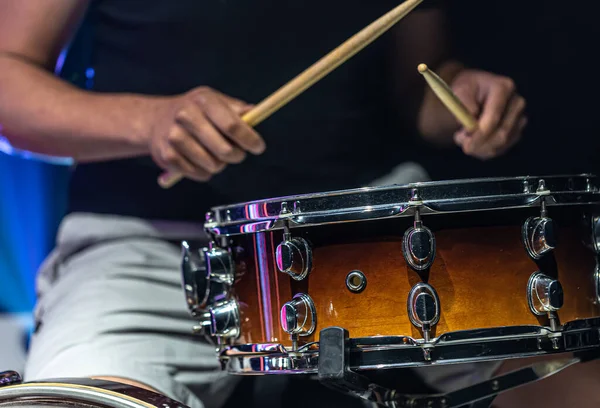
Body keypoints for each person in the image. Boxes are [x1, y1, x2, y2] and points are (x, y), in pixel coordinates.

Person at [0, 1, 528, 407]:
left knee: (562, 380)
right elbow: (8, 79)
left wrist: (460, 98)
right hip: (150, 243)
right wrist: (151, 123)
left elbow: (420, 75)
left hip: (369, 225)